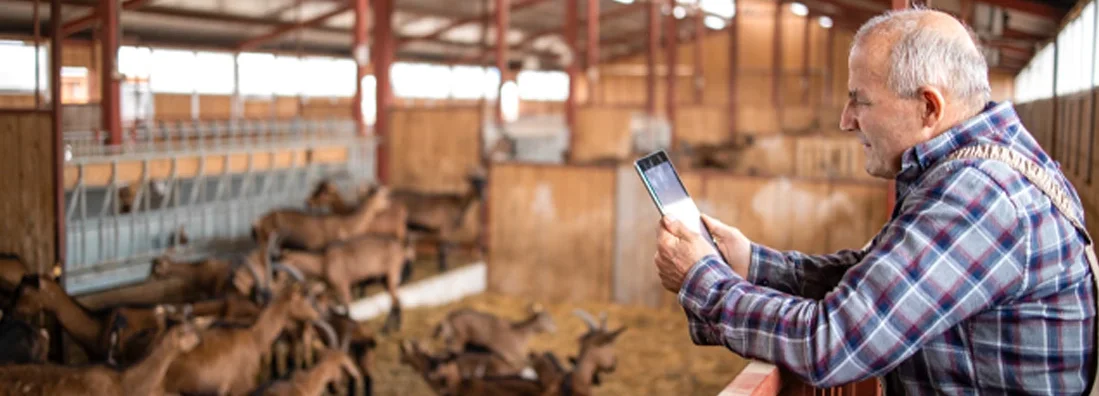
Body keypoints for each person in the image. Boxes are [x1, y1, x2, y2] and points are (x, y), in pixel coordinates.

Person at [653, 8, 1098, 395]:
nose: (846, 121)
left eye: (859, 101)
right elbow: (876, 280)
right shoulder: (983, 166)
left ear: (928, 108)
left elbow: (829, 345)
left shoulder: (980, 196)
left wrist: (701, 278)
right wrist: (751, 262)